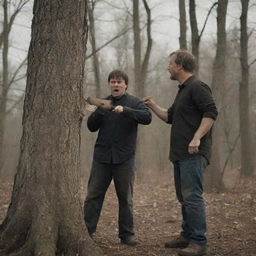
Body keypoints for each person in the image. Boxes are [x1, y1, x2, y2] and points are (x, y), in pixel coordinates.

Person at [144, 50, 218, 256]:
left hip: (193, 153)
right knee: (184, 197)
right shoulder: (183, 90)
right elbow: (169, 117)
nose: (168, 66)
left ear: (180, 66)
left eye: (170, 63)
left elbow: (211, 112)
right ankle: (187, 235)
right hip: (180, 154)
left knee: (192, 196)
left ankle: (199, 242)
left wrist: (197, 137)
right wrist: (152, 105)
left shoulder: (197, 87)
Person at [84, 70, 152, 246]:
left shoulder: (135, 102)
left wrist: (126, 110)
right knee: (93, 196)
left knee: (126, 198)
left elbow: (147, 118)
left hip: (125, 158)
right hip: (102, 157)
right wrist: (100, 110)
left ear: (125, 85)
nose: (115, 84)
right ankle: (87, 231)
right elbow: (91, 127)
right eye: (112, 82)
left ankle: (127, 235)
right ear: (110, 84)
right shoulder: (104, 103)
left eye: (119, 82)